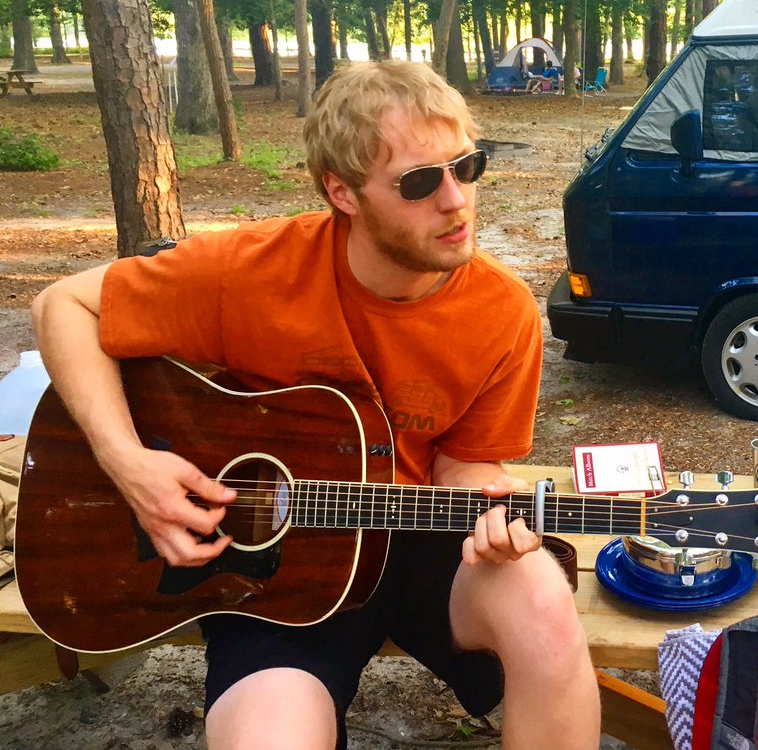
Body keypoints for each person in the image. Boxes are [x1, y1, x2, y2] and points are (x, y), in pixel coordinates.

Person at [30, 61, 600, 750]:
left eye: (467, 167)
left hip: (420, 543)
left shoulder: (501, 310)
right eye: (420, 182)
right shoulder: (251, 271)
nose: (456, 200)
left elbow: (464, 460)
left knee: (543, 602)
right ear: (343, 191)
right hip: (273, 573)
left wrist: (488, 508)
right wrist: (128, 463)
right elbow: (62, 304)